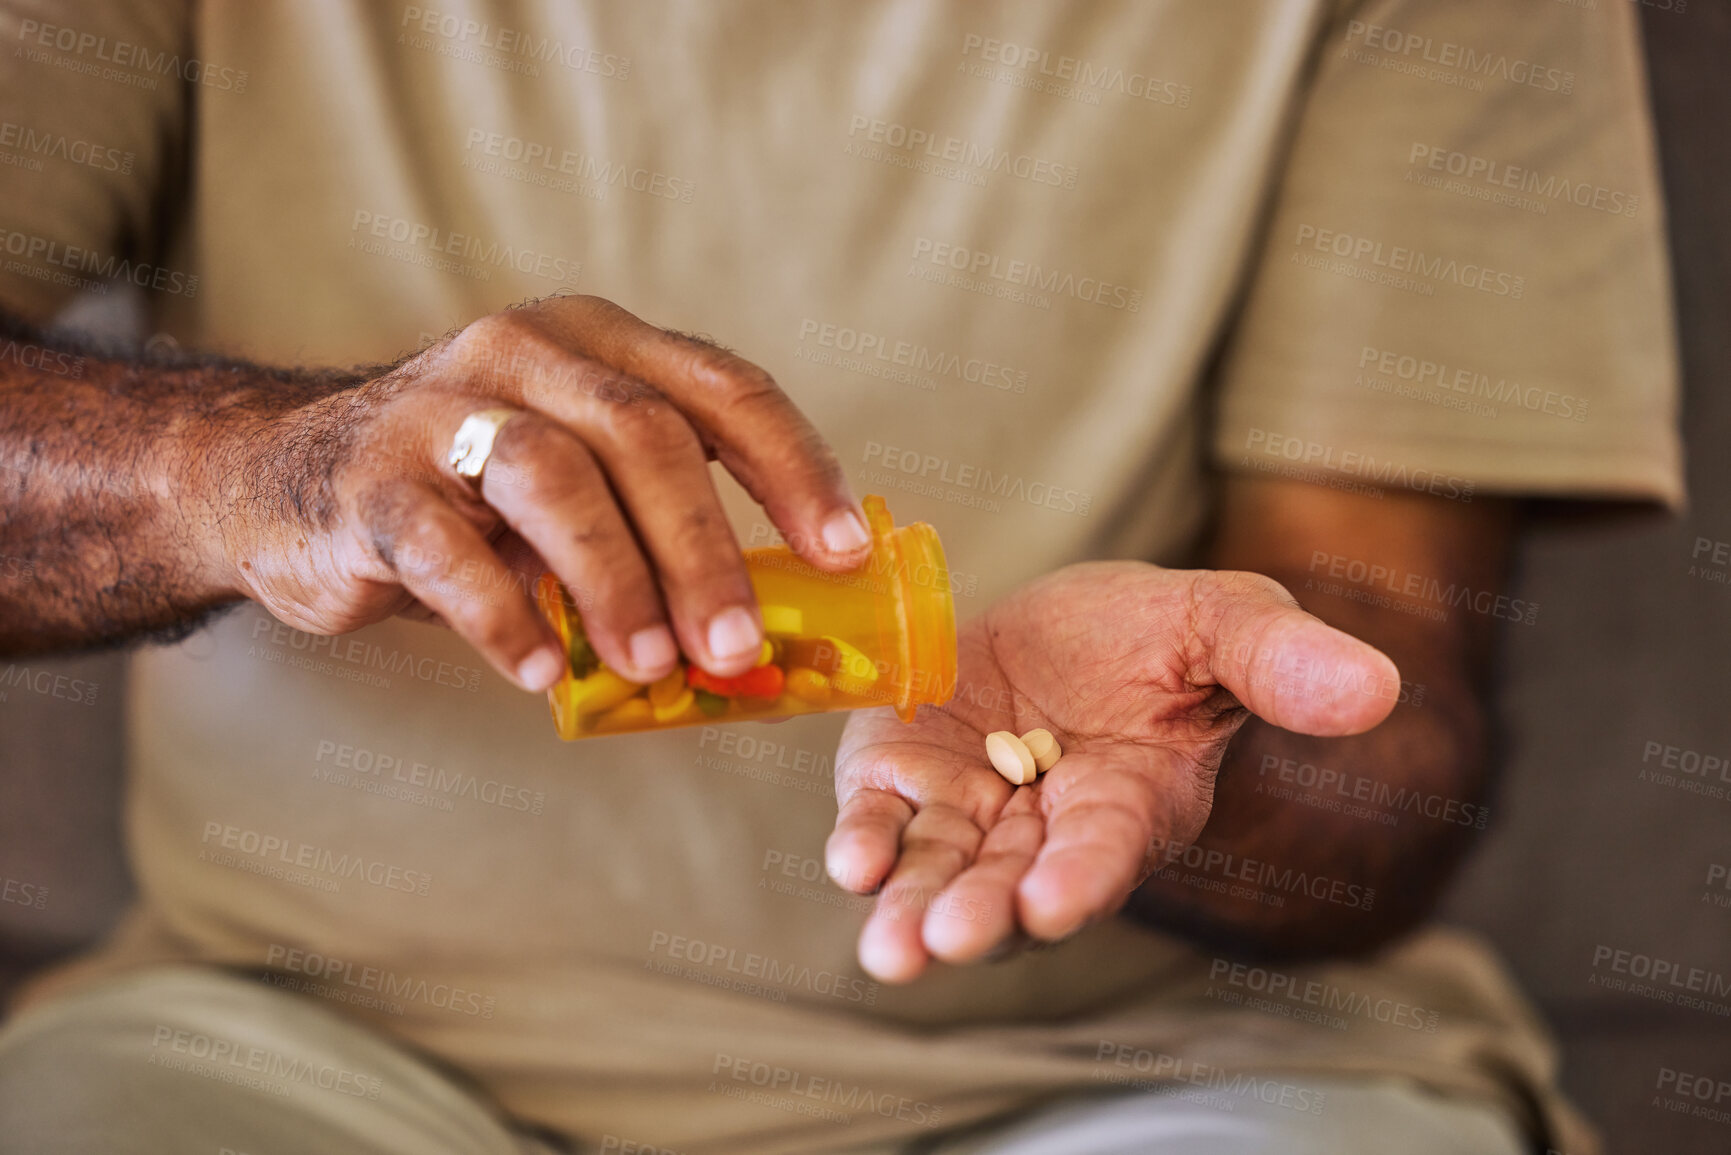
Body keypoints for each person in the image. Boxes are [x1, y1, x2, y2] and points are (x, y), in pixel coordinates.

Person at [0, 2, 1678, 1153]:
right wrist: (241, 473)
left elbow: (1388, 727)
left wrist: (1203, 743)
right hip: (283, 1049)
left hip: (1148, 1081)